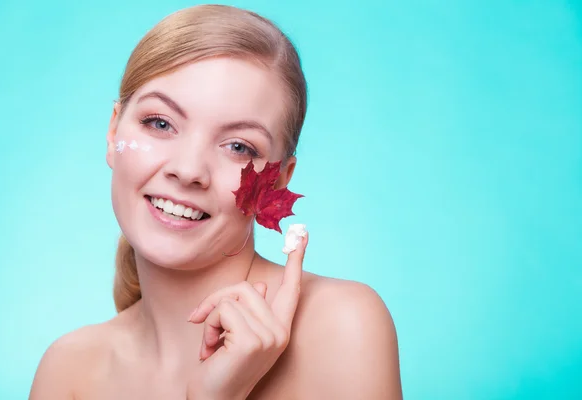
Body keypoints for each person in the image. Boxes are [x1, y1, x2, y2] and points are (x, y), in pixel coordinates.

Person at [29, 4, 402, 399]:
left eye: (239, 147)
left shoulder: (342, 326)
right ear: (113, 130)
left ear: (276, 181)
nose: (189, 170)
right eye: (160, 123)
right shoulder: (69, 369)